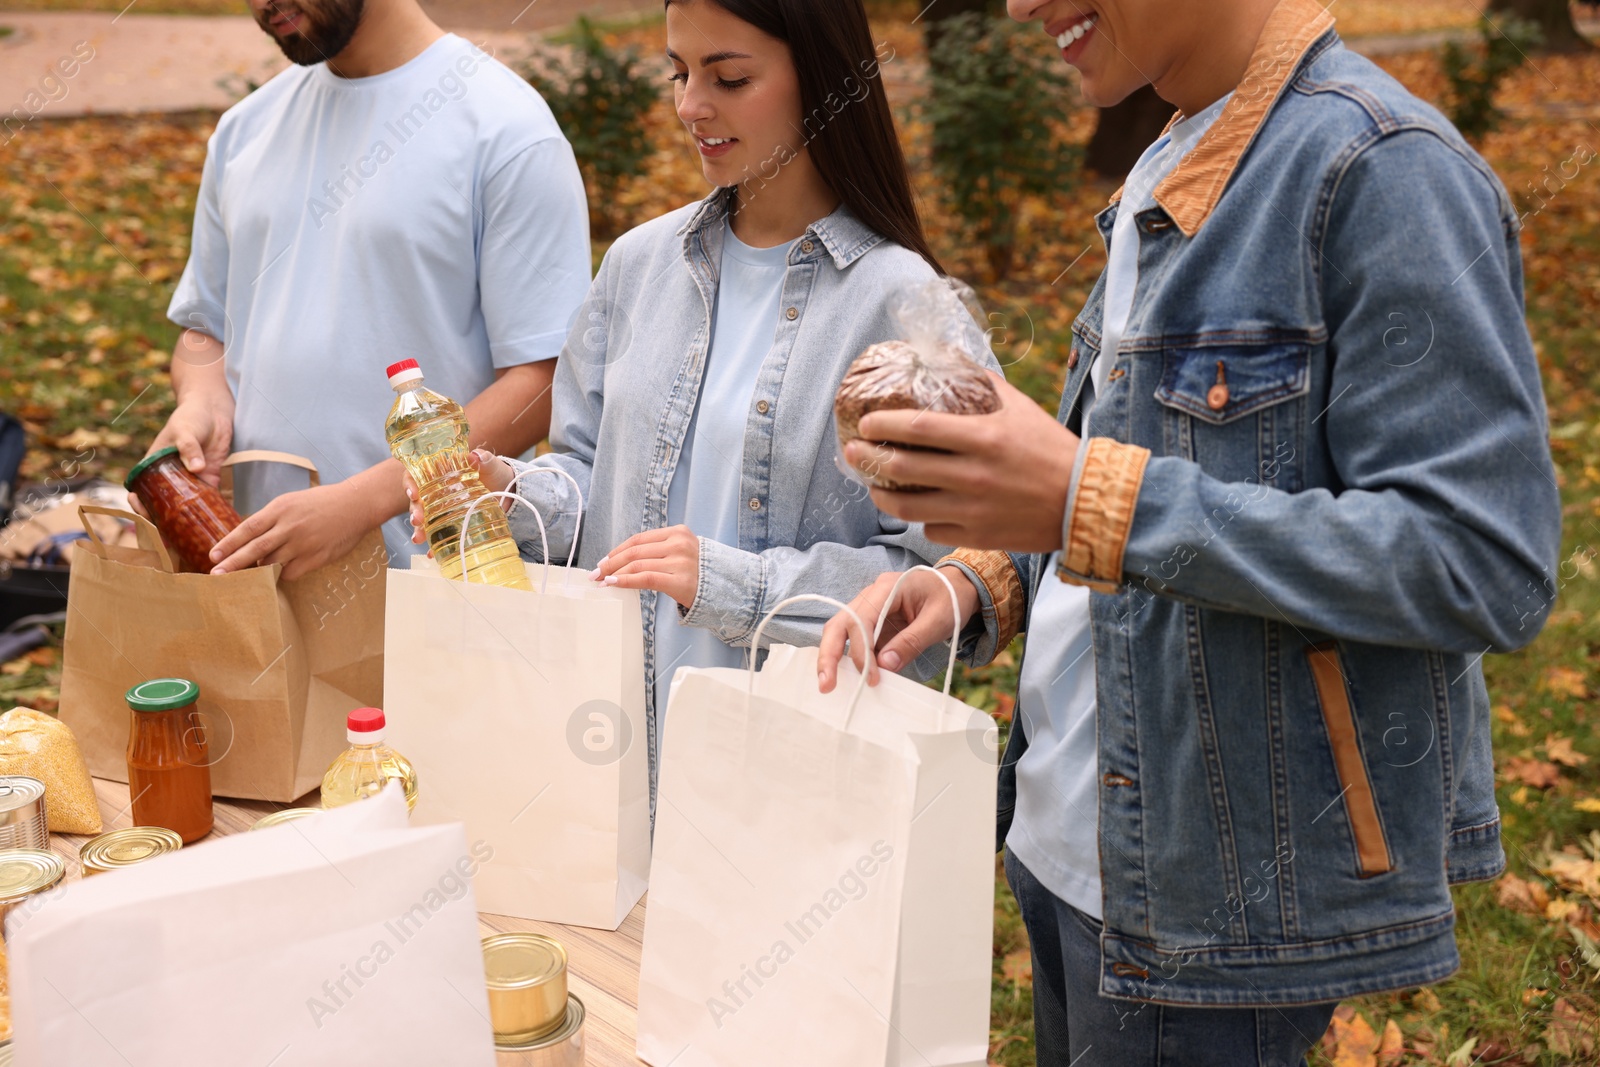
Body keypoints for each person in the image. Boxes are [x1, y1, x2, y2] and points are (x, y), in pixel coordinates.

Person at [816, 0, 1562, 1063]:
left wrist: (1088, 498)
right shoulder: (1173, 154)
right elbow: (1123, 478)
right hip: (1065, 843)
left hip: (1215, 911)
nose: (1022, 4)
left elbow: (1483, 562)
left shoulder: (1381, 171)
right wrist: (977, 582)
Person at [408, 0, 992, 791]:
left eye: (729, 76)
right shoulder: (638, 266)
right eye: (680, 73)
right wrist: (510, 493)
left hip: (791, 782)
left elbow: (933, 579)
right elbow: (593, 482)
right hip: (611, 759)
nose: (691, 106)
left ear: (823, 77)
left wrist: (725, 583)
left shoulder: (904, 307)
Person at [147, 0, 591, 578]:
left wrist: (361, 503)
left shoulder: (507, 128)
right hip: (252, 579)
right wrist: (202, 400)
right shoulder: (244, 129)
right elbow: (205, 329)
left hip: (440, 582)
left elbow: (547, 380)